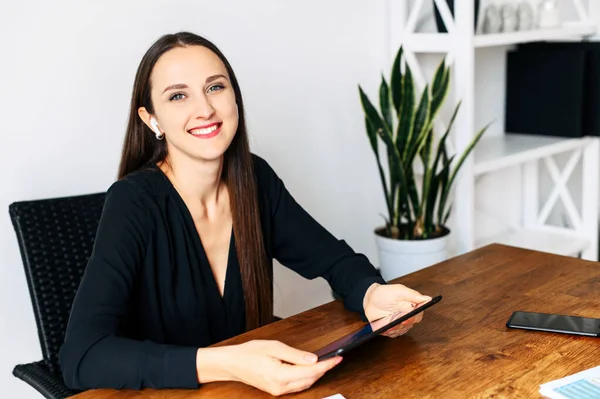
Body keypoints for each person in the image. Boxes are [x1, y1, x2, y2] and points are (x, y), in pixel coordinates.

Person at [59, 32, 431, 397]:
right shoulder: (132, 202)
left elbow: (335, 260)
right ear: (151, 119)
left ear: (235, 98)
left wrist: (371, 293)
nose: (204, 109)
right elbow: (81, 356)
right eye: (178, 96)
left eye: (215, 87)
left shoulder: (253, 180)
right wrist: (231, 362)